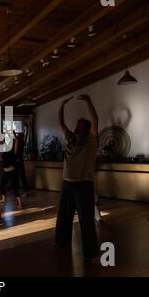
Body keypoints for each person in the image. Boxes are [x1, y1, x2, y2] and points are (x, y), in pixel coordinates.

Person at [54, 94, 99, 261]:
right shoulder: (70, 139)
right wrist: (61, 104)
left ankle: (91, 252)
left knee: (86, 219)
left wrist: (88, 101)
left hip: (84, 185)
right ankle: (61, 242)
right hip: (67, 184)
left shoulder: (92, 142)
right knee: (63, 216)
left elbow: (95, 120)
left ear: (87, 130)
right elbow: (60, 124)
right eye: (77, 126)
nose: (77, 129)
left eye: (81, 127)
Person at [0, 132, 23, 209]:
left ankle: (20, 202)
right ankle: (3, 199)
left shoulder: (13, 151)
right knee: (2, 185)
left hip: (12, 171)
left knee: (13, 187)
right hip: (5, 172)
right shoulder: (5, 149)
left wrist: (13, 134)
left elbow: (16, 141)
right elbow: (2, 140)